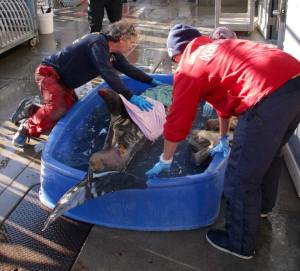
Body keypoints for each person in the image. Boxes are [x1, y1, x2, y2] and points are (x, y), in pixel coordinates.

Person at [146, 24, 300, 259]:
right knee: (269, 155)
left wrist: (165, 159)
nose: (175, 64)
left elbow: (178, 120)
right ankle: (262, 208)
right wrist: (223, 139)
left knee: (239, 177)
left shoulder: (189, 66)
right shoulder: (218, 48)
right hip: (293, 78)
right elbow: (223, 104)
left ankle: (238, 243)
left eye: (173, 59)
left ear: (178, 52)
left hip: (266, 94)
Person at [12, 20, 162, 148]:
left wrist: (150, 81)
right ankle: (26, 127)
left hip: (64, 83)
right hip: (49, 73)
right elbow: (106, 72)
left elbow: (129, 69)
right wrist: (130, 96)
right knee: (58, 109)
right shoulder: (97, 42)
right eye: (132, 41)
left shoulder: (113, 54)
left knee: (69, 115)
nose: (132, 46)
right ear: (122, 38)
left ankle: (32, 109)